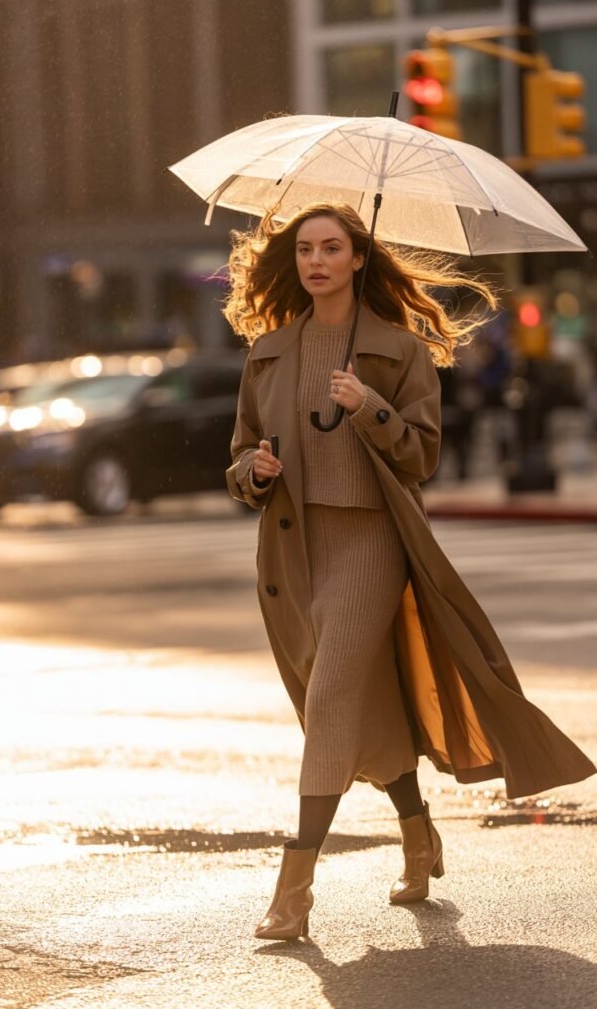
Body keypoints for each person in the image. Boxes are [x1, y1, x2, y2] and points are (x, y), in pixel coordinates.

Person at [224, 202, 596, 942]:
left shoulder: (398, 350)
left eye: (332, 248)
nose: (317, 261)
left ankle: (294, 889)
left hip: (370, 543)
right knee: (363, 709)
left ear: (358, 259)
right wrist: (254, 469)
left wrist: (369, 407)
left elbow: (422, 455)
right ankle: (418, 831)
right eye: (305, 250)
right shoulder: (269, 352)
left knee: (330, 702)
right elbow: (236, 462)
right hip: (297, 555)